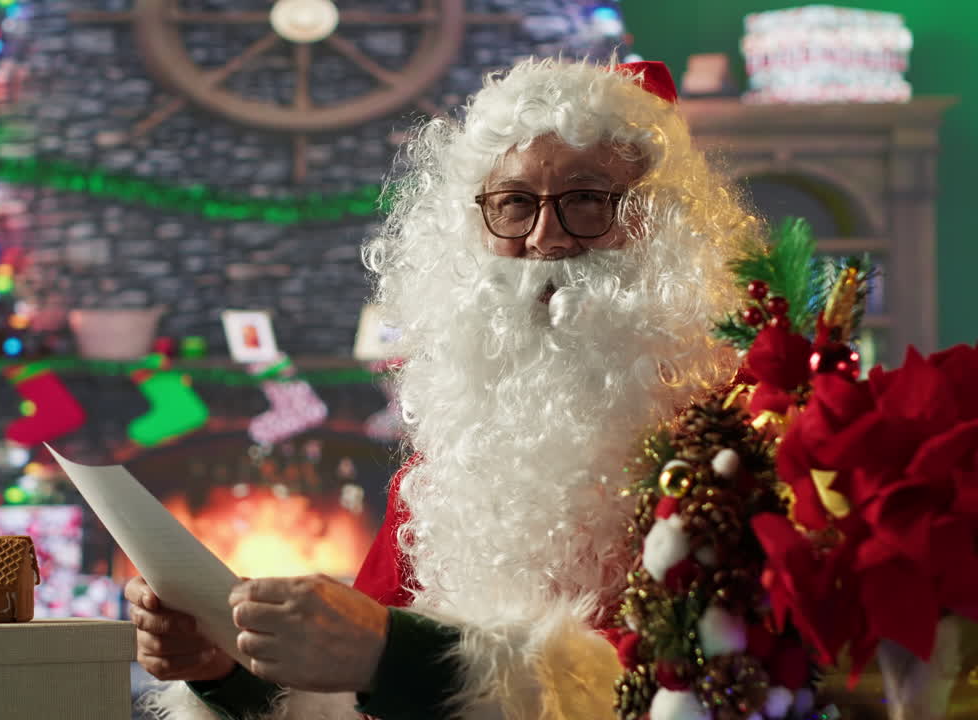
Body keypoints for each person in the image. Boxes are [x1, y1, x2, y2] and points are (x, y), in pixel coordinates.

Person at [129, 58, 759, 720]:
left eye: (586, 201)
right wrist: (228, 670)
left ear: (662, 226)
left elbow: (699, 688)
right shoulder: (453, 461)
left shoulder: (737, 431)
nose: (545, 239)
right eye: (514, 204)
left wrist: (396, 656)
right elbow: (355, 688)